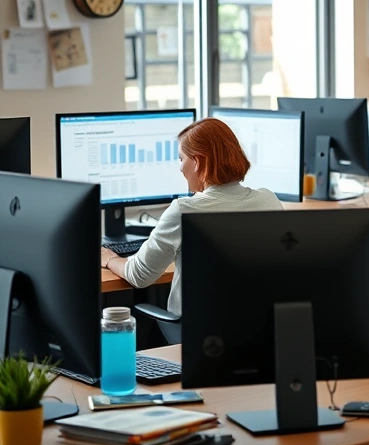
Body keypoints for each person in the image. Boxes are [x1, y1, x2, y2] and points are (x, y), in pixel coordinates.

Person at [101, 118, 282, 319]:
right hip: (259, 331)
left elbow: (139, 274)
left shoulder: (184, 210)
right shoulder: (268, 200)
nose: (180, 168)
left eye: (181, 159)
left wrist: (110, 259)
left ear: (196, 162)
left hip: (195, 336)